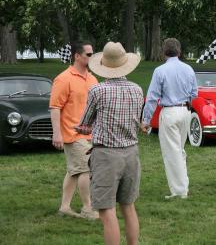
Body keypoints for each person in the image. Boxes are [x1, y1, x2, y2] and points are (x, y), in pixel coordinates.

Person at [76, 42, 143, 245]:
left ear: (104, 65)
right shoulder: (137, 90)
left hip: (106, 156)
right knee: (128, 206)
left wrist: (83, 129)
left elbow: (85, 123)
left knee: (107, 211)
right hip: (131, 153)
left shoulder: (98, 91)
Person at [141, 38, 197, 199]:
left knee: (171, 152)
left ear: (163, 52)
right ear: (179, 52)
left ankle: (180, 191)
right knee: (179, 150)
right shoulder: (188, 69)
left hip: (170, 112)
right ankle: (183, 185)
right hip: (185, 110)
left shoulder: (160, 71)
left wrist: (145, 120)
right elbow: (194, 93)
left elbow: (152, 98)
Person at [50, 41, 99, 219]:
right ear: (77, 56)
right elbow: (55, 107)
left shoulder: (93, 79)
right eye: (88, 54)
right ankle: (88, 208)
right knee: (86, 170)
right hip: (72, 133)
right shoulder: (63, 78)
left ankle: (65, 207)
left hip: (91, 133)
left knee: (74, 171)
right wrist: (57, 133)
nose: (91, 57)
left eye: (92, 54)